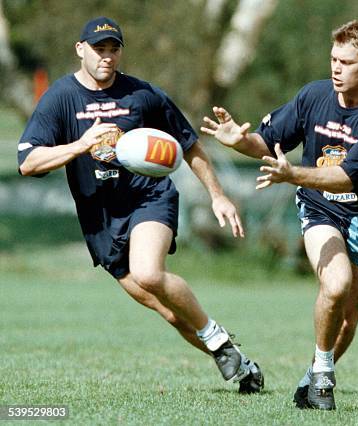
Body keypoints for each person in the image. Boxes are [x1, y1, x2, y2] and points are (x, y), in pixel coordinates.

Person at [17, 16, 263, 393]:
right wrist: (82, 144)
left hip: (150, 198)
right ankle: (242, 365)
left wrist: (217, 194)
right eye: (99, 49)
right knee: (169, 311)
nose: (107, 56)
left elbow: (189, 142)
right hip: (100, 220)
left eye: (114, 49)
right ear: (80, 50)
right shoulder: (60, 98)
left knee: (149, 272)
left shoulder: (142, 94)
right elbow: (28, 162)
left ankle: (215, 336)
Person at [202, 20, 358, 409]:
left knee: (349, 316)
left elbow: (345, 178)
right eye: (333, 59)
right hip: (319, 208)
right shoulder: (314, 96)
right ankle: (325, 377)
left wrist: (292, 173)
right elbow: (268, 142)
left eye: (346, 62)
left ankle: (312, 374)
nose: (335, 69)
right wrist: (240, 140)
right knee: (336, 284)